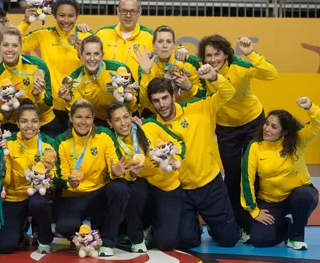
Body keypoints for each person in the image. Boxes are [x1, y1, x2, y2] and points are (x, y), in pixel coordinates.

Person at [188, 35, 278, 239]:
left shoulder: (239, 66)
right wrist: (182, 53)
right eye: (208, 55)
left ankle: (253, 220)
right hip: (226, 129)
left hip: (252, 123)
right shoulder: (203, 68)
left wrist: (250, 53)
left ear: (226, 53)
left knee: (250, 171)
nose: (212, 59)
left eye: (217, 54)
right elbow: (183, 58)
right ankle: (234, 222)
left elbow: (271, 73)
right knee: (231, 175)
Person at [142, 65, 240, 249]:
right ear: (151, 103)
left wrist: (215, 77)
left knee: (229, 240)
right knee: (187, 241)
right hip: (181, 191)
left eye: (165, 98)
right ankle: (192, 224)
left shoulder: (199, 107)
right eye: (156, 101)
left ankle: (218, 226)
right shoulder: (150, 126)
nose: (162, 104)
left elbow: (228, 92)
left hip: (210, 184)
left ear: (173, 95)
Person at [241, 97, 320, 250]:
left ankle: (296, 236)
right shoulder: (255, 147)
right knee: (260, 241)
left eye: (274, 127)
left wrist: (310, 108)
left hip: (297, 194)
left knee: (304, 197)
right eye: (266, 123)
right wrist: (254, 211)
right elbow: (247, 180)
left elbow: (318, 124)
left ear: (284, 132)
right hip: (270, 201)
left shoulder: (298, 139)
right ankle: (286, 225)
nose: (267, 129)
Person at [106, 102, 182, 251]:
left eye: (126, 117)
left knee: (172, 241)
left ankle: (158, 225)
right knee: (132, 190)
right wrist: (131, 174)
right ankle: (138, 231)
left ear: (132, 116)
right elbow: (119, 171)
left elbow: (179, 143)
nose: (123, 123)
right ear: (110, 123)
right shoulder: (111, 141)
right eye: (117, 120)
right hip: (144, 185)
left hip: (166, 187)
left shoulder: (148, 126)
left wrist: (175, 157)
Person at [56, 99, 126, 257]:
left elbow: (113, 162)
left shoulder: (104, 134)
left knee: (120, 187)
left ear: (93, 118)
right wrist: (69, 182)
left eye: (88, 117)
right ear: (71, 118)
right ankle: (85, 237)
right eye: (79, 117)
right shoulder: (62, 140)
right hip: (75, 196)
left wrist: (115, 171)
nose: (83, 122)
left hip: (99, 193)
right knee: (65, 227)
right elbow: (59, 175)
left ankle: (107, 242)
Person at [19, 0, 92, 132]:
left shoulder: (86, 37)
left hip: (78, 107)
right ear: (54, 15)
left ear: (77, 15)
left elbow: (97, 67)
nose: (66, 20)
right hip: (50, 110)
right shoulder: (44, 35)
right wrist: (25, 22)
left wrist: (84, 55)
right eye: (62, 15)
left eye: (71, 16)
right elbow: (16, 44)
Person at [0, 101, 57, 254]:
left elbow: (55, 182)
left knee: (39, 202)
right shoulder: (8, 145)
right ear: (17, 123)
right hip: (14, 197)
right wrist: (1, 166)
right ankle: (20, 233)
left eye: (34, 121)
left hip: (38, 196)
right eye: (24, 121)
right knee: (4, 246)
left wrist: (49, 176)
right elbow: (7, 181)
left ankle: (44, 237)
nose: (29, 126)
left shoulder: (49, 144)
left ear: (40, 123)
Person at [0, 27, 57, 135]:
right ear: (0, 46)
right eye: (6, 45)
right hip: (14, 124)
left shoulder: (38, 65)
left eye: (15, 45)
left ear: (21, 47)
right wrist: (8, 105)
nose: (10, 49)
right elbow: (6, 116)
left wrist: (38, 95)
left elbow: (48, 105)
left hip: (44, 122)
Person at [60, 36, 137, 126]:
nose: (92, 59)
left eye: (96, 54)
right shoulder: (74, 79)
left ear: (102, 55)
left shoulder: (119, 69)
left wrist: (129, 99)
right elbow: (79, 109)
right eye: (88, 54)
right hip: (95, 121)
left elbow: (134, 102)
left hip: (121, 118)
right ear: (81, 55)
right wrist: (69, 99)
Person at [134, 25, 204, 112]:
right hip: (157, 114)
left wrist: (190, 87)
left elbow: (204, 97)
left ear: (174, 44)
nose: (164, 45)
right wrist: (146, 73)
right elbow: (145, 103)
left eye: (169, 41)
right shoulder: (146, 63)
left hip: (187, 114)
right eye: (160, 41)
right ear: (153, 44)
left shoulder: (189, 61)